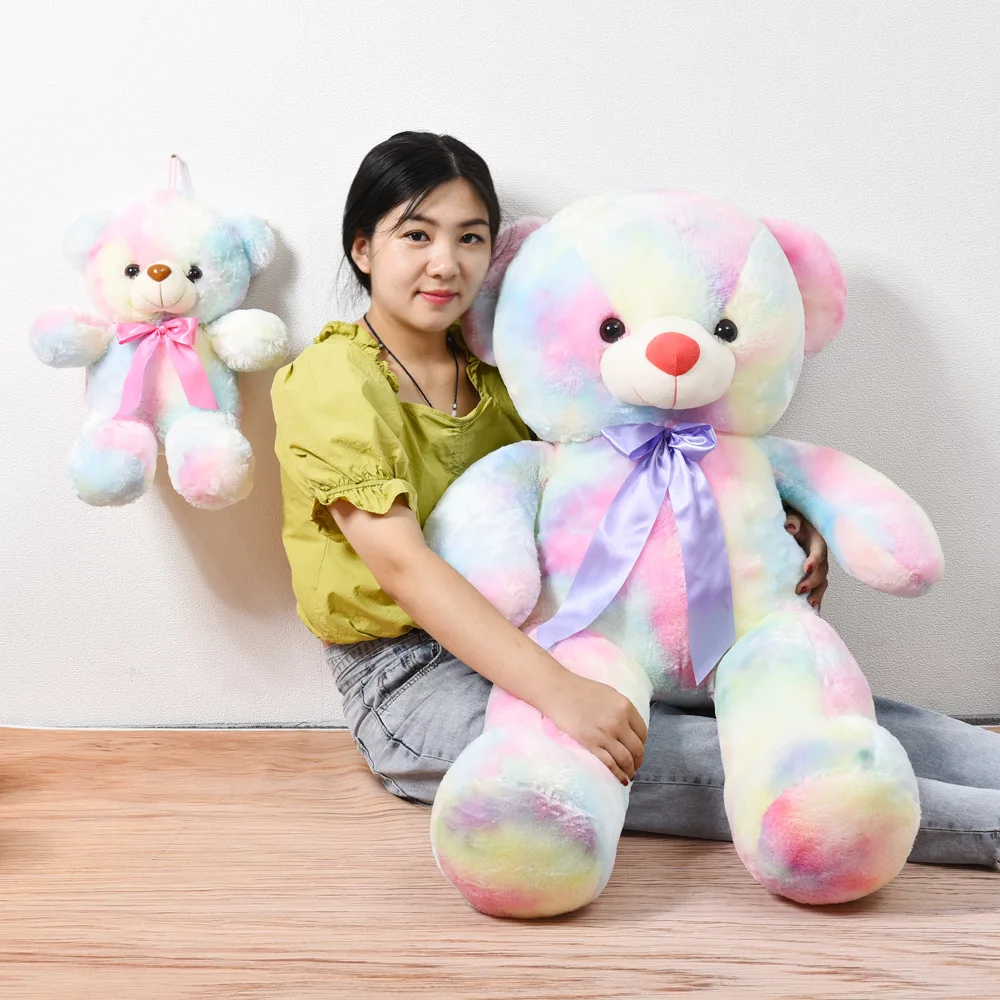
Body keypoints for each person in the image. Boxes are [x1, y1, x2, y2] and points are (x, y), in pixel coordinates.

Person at [271, 131, 1000, 870]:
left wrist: (783, 519)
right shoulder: (333, 380)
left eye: (470, 237)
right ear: (363, 248)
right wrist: (559, 691)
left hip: (564, 633)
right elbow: (404, 568)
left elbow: (618, 476)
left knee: (824, 708)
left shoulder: (505, 371)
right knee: (758, 762)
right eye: (416, 235)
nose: (445, 262)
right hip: (411, 679)